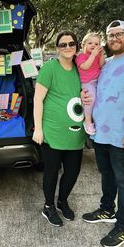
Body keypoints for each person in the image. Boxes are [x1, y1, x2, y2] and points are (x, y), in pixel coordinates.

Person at [81, 20, 124, 247]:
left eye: (119, 34)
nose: (114, 38)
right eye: (110, 35)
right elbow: (96, 87)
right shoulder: (108, 63)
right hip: (102, 133)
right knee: (107, 174)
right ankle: (107, 209)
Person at [33, 30, 85, 227]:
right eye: (63, 44)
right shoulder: (49, 68)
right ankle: (48, 206)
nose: (67, 47)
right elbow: (38, 99)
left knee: (72, 172)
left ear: (76, 46)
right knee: (52, 172)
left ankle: (62, 201)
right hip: (52, 133)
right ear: (57, 48)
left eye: (71, 43)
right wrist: (38, 129)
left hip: (75, 134)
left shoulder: (80, 69)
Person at [75, 33, 105, 135]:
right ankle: (87, 121)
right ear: (84, 45)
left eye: (96, 44)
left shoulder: (96, 56)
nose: (93, 45)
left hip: (97, 82)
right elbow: (85, 67)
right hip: (87, 83)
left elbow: (101, 66)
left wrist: (101, 55)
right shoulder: (81, 56)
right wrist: (92, 55)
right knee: (90, 99)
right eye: (90, 43)